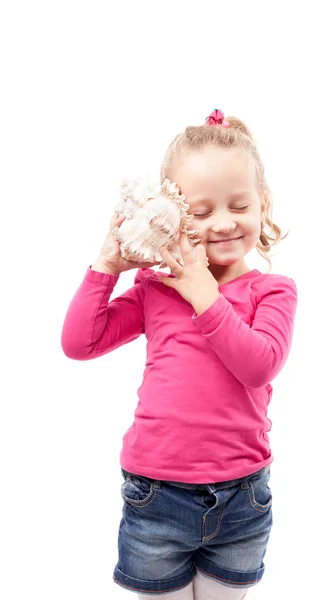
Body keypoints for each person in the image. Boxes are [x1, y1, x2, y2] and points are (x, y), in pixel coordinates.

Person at [61, 109, 298, 600]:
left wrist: (203, 292)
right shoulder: (156, 289)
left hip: (242, 496)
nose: (225, 223)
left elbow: (259, 365)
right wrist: (107, 265)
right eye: (203, 211)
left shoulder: (273, 291)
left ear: (263, 205)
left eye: (239, 205)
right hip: (156, 495)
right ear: (175, 214)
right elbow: (79, 343)